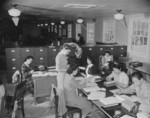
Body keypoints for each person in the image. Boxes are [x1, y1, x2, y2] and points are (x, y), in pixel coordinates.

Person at [55, 44, 71, 116]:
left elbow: (64, 64)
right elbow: (57, 69)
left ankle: (64, 107)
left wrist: (67, 66)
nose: (68, 53)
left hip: (64, 74)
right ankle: (62, 111)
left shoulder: (63, 55)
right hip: (61, 75)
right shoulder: (59, 56)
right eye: (68, 51)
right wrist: (66, 69)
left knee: (65, 92)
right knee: (61, 93)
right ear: (64, 49)